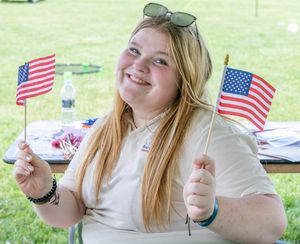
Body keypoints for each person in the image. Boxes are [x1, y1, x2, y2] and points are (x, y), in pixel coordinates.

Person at [13, 2, 287, 243]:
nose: (139, 65)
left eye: (160, 61)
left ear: (184, 80)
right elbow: (70, 212)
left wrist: (212, 211)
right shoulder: (105, 129)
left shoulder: (208, 133)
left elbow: (272, 223)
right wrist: (44, 192)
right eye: (134, 50)